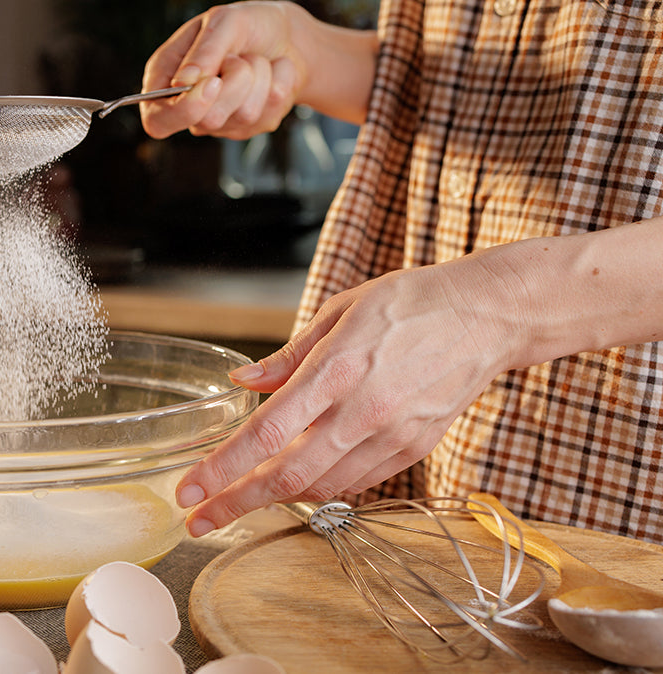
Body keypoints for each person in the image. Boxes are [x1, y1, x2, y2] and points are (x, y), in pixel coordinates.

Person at [139, 1, 663, 543]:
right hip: (424, 449)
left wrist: (495, 307)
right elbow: (481, 70)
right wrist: (305, 50)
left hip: (620, 469)